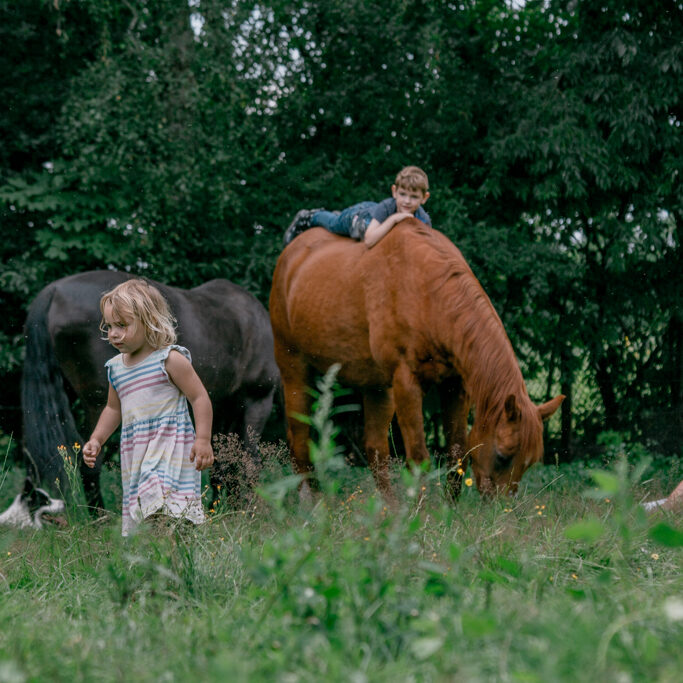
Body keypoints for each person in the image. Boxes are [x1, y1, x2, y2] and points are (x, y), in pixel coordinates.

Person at [83, 279, 214, 536]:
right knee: (153, 515)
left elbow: (199, 397)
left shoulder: (169, 359)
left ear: (149, 320)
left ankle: (173, 557)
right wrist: (97, 439)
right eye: (109, 326)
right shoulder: (116, 368)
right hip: (137, 451)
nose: (114, 333)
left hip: (170, 445)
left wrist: (203, 439)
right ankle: (172, 563)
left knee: (162, 503)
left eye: (122, 325)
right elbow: (113, 409)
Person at [283, 165, 431, 248]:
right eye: (403, 194)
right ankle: (310, 216)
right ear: (394, 192)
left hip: (374, 214)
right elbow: (369, 241)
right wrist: (394, 219)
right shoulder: (387, 207)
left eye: (414, 197)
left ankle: (336, 215)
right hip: (360, 217)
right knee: (334, 224)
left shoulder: (423, 219)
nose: (407, 201)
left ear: (424, 198)